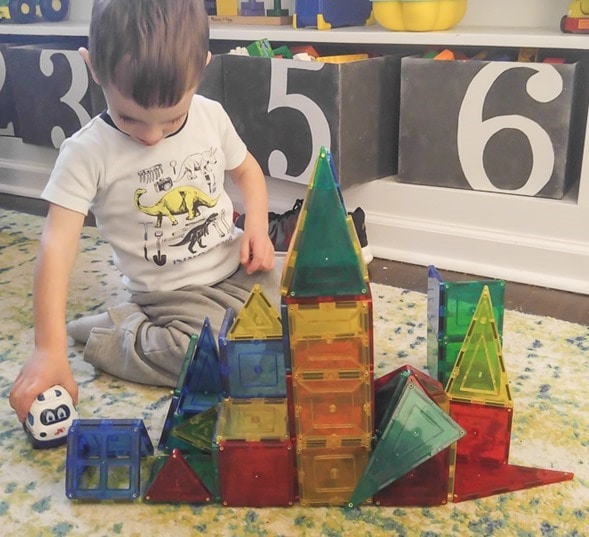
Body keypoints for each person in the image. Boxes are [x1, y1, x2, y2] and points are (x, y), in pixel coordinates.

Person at [9, 0, 279, 423]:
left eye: (172, 121)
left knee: (304, 317)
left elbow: (248, 173)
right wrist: (48, 348)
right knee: (211, 362)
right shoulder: (86, 153)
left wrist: (258, 230)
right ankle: (115, 332)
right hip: (172, 296)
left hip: (237, 269)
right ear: (93, 67)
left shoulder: (211, 116)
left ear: (202, 69)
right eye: (130, 118)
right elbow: (56, 243)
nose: (151, 136)